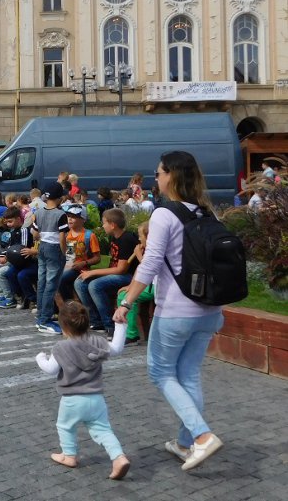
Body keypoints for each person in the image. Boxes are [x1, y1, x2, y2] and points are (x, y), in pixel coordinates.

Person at [114, 151, 226, 472]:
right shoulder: (207, 212)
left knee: (161, 373)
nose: (156, 178)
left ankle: (202, 436)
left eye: (159, 173)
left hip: (177, 310)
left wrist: (127, 301)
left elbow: (150, 262)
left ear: (171, 176)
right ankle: (186, 443)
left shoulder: (164, 214)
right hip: (209, 309)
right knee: (188, 375)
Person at [36, 298, 131, 480]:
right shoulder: (97, 342)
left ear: (64, 327)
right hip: (96, 398)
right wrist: (120, 325)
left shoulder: (61, 347)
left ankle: (69, 456)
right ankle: (119, 457)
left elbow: (51, 369)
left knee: (65, 426)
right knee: (103, 430)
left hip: (71, 400)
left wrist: (40, 358)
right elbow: (117, 348)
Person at [75, 208, 139, 339]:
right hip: (116, 274)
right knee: (80, 282)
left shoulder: (126, 239)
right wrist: (91, 273)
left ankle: (110, 325)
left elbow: (121, 269)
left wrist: (93, 272)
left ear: (112, 225)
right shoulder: (114, 237)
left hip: (129, 277)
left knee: (95, 285)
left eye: (104, 223)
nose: (102, 226)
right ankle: (96, 321)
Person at [31, 181, 68, 335]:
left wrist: (41, 238)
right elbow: (62, 238)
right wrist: (64, 253)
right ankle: (45, 320)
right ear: (60, 198)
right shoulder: (61, 214)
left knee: (42, 282)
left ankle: (41, 315)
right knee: (51, 285)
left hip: (42, 247)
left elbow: (35, 234)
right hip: (55, 249)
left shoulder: (39, 212)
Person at [57, 204, 101, 301]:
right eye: (68, 216)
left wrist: (84, 263)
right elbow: (67, 254)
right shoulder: (66, 235)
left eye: (74, 217)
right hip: (67, 266)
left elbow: (97, 258)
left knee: (61, 278)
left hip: (80, 269)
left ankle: (70, 303)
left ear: (83, 219)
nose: (70, 219)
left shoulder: (89, 236)